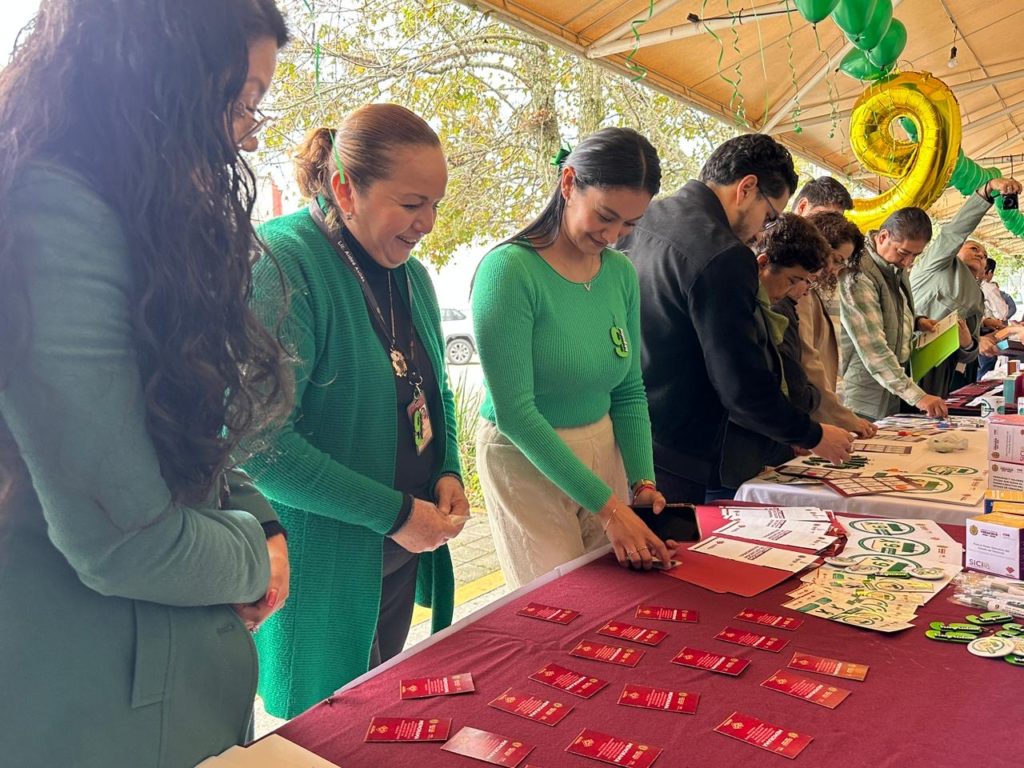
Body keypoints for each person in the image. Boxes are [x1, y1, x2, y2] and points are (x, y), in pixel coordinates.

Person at [0, 2, 292, 765]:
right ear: (161, 77)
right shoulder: (55, 212)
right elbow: (121, 544)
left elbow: (177, 434)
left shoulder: (123, 205)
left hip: (151, 674)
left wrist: (262, 520)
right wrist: (256, 555)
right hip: (92, 690)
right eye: (242, 101)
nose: (248, 134)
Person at [244, 105, 467, 719]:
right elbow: (258, 446)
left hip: (397, 550)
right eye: (412, 203)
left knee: (376, 718)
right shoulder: (281, 263)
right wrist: (394, 513)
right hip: (323, 565)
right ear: (345, 188)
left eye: (435, 205)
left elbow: (436, 390)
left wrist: (448, 468)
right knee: (324, 729)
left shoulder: (412, 276)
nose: (427, 223)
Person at [472, 128, 675, 589]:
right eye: (605, 216)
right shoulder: (508, 271)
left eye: (629, 225)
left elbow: (628, 390)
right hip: (527, 456)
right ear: (568, 184)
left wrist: (642, 484)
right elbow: (515, 413)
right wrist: (610, 509)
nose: (613, 236)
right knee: (561, 600)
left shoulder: (620, 273)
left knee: (619, 592)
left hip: (602, 448)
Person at [619, 133, 853, 505]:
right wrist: (812, 435)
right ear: (746, 188)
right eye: (769, 216)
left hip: (628, 430)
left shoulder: (645, 219)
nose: (762, 231)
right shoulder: (723, 254)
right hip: (684, 450)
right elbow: (740, 383)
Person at [713, 214, 830, 497]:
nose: (792, 291)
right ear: (763, 263)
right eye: (792, 280)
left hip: (751, 453)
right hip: (723, 460)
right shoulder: (737, 306)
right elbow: (746, 391)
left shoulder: (763, 307)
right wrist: (806, 434)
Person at [909, 177, 1021, 394]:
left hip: (946, 377)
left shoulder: (977, 295)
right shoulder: (936, 265)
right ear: (955, 250)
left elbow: (968, 347)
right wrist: (987, 191)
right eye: (973, 249)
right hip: (911, 368)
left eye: (985, 255)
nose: (980, 255)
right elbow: (954, 231)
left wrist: (974, 341)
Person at [839, 207, 949, 419]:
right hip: (863, 398)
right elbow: (872, 346)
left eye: (916, 255)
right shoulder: (858, 274)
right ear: (883, 237)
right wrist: (917, 396)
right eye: (903, 253)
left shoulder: (893, 266)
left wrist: (916, 321)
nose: (908, 262)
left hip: (890, 389)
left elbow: (889, 311)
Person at [798, 212, 877, 437]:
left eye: (842, 263)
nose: (835, 269)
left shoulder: (813, 292)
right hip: (803, 419)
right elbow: (808, 361)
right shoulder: (800, 294)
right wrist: (843, 417)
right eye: (836, 259)